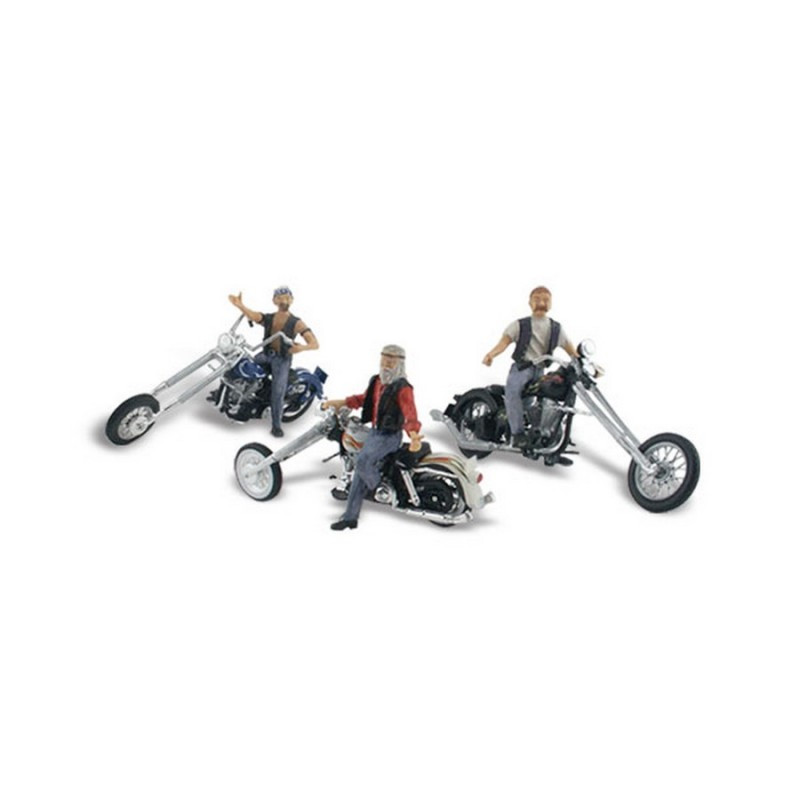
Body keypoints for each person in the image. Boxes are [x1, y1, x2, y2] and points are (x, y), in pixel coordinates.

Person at [323, 345, 424, 530]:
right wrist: (341, 402)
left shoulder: (403, 388)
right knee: (358, 475)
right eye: (384, 359)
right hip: (374, 433)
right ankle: (350, 518)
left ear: (400, 364)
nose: (386, 364)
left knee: (362, 462)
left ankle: (378, 487)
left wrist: (414, 435)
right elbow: (364, 399)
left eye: (391, 361)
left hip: (390, 436)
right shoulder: (376, 381)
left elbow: (410, 413)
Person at [482, 286, 578, 452]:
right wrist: (491, 354)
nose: (541, 302)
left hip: (540, 371)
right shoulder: (520, 325)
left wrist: (588, 365)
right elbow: (503, 343)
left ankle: (546, 434)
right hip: (522, 368)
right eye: (537, 299)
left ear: (551, 304)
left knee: (534, 402)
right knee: (513, 394)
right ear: (529, 303)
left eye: (546, 299)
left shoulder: (557, 328)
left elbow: (572, 351)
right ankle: (517, 435)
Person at [228, 287, 319, 437]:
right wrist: (240, 305)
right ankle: (231, 395)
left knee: (278, 392)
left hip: (281, 360)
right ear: (274, 301)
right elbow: (255, 316)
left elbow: (315, 344)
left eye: (287, 298)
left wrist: (301, 348)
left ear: (292, 300)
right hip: (265, 355)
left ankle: (276, 425)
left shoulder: (296, 322)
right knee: (244, 367)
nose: (284, 300)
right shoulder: (270, 318)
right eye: (280, 298)